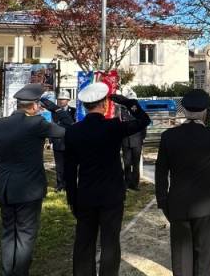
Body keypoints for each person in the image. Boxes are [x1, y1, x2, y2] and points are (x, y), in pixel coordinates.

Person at [0, 83, 72, 276]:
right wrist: (56, 108)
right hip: (29, 189)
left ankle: (9, 273)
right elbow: (68, 128)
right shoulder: (37, 123)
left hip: (5, 188)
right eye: (39, 105)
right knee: (25, 234)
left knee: (8, 234)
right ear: (33, 106)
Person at [155, 89, 210, 276]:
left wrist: (163, 201)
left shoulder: (169, 136)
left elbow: (161, 171)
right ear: (205, 111)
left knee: (181, 257)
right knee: (205, 255)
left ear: (184, 111)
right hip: (207, 204)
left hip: (178, 203)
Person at [63, 83, 150, 276]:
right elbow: (144, 120)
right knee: (110, 242)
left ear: (85, 106)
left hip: (86, 193)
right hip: (111, 194)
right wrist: (129, 103)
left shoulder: (74, 131)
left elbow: (69, 169)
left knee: (84, 243)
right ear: (104, 104)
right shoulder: (113, 127)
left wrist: (72, 197)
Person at [120, 87, 147, 191]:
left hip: (137, 142)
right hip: (125, 141)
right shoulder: (122, 112)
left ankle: (135, 184)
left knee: (136, 164)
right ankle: (127, 183)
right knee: (126, 164)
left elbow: (144, 128)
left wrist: (141, 139)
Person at [50, 90, 75, 192]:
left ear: (68, 100)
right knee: (59, 165)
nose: (61, 101)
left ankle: (69, 184)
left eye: (63, 99)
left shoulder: (73, 111)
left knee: (69, 164)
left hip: (69, 141)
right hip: (58, 141)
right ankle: (60, 184)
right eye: (59, 99)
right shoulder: (54, 112)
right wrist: (51, 141)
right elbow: (52, 126)